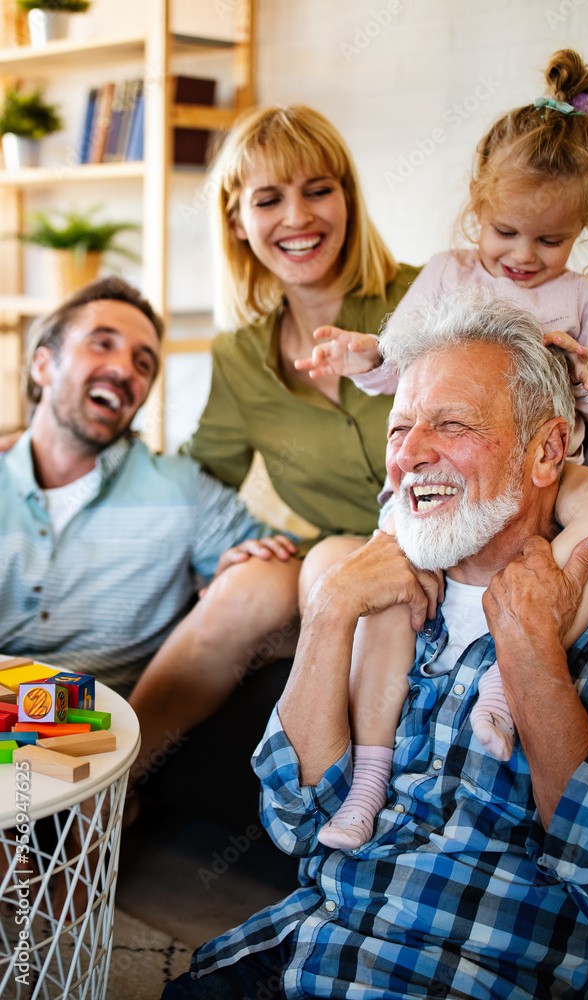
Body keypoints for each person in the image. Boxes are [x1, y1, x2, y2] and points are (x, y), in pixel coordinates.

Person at [164, 290, 588, 1000]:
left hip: (483, 977)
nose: (411, 455)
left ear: (548, 449)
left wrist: (531, 659)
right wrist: (332, 607)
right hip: (310, 948)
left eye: (450, 424)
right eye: (399, 429)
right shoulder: (386, 585)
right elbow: (294, 818)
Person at [296, 49, 588, 849]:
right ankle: (369, 781)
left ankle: (508, 673)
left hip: (545, 476)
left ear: (581, 231)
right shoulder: (451, 274)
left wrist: (587, 371)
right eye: (505, 232)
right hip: (442, 489)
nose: (522, 257)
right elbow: (395, 359)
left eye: (549, 241)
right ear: (474, 212)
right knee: (390, 599)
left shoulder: (586, 298)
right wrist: (359, 357)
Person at [127, 104, 421, 784]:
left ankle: (338, 806)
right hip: (334, 562)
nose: (298, 217)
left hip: (436, 548)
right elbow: (196, 477)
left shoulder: (426, 297)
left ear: (346, 196)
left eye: (318, 189)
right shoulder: (240, 355)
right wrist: (63, 444)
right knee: (243, 586)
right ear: (237, 221)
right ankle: (106, 796)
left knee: (329, 572)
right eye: (269, 199)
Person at [0, 276, 292, 714]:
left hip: (104, 751)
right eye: (102, 344)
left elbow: (293, 613)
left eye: (143, 363)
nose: (123, 370)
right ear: (42, 365)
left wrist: (238, 581)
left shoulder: (183, 489)